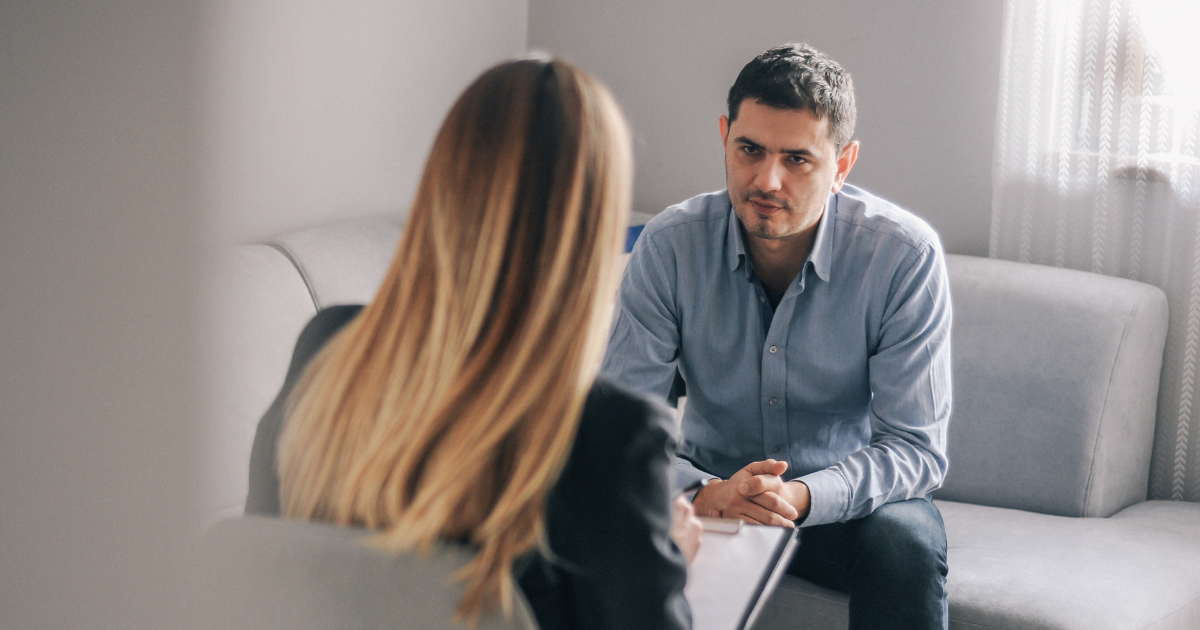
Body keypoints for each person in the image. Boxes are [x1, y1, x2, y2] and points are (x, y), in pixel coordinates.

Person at [245, 57, 700, 630]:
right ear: (589, 229)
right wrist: (670, 560)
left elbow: (256, 567)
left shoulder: (325, 350)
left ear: (441, 187)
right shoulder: (609, 439)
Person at [602, 43, 951, 629]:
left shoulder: (902, 257)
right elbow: (622, 429)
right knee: (586, 508)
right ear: (724, 137)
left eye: (798, 159)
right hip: (708, 500)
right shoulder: (669, 247)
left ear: (842, 165)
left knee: (905, 542)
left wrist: (800, 496)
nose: (767, 179)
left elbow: (915, 448)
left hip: (843, 507)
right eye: (750, 150)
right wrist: (708, 493)